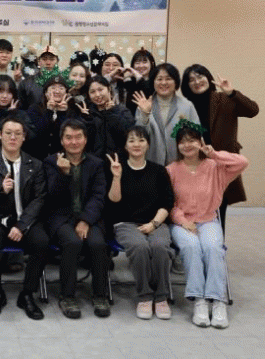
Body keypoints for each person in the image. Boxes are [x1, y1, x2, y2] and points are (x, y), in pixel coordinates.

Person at [166, 120, 248, 328]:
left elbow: (242, 162)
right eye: (182, 142)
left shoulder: (215, 168)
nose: (187, 145)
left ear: (200, 142)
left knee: (213, 248)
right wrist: (183, 221)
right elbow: (168, 203)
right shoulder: (171, 170)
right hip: (182, 223)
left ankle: (217, 300)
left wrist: (214, 154)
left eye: (192, 140)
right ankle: (199, 300)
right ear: (177, 145)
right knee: (192, 247)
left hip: (209, 220)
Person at [0, 115, 49, 320]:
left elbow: (40, 199)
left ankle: (27, 294)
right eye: (8, 133)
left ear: (24, 137)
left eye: (18, 133)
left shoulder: (35, 164)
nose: (13, 137)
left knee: (42, 242)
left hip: (26, 221)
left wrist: (22, 225)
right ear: (0, 135)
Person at [107, 126, 175, 320]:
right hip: (126, 223)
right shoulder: (118, 168)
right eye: (131, 140)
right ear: (125, 146)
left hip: (156, 222)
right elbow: (114, 200)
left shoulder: (159, 171)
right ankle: (145, 296)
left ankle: (161, 297)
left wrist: (154, 224)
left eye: (141, 140)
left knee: (160, 246)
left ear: (148, 144)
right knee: (139, 247)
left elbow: (167, 203)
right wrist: (117, 177)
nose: (136, 144)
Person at [44, 119, 110, 319]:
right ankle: (67, 296)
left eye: (78, 137)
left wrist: (85, 220)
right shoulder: (50, 162)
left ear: (85, 139)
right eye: (69, 137)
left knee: (98, 244)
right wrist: (63, 174)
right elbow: (51, 197)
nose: (74, 142)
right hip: (60, 218)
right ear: (62, 141)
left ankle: (100, 295)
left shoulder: (96, 163)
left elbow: (98, 197)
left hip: (90, 218)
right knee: (72, 242)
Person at [180, 64, 259, 232]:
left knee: (219, 206)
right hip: (196, 163)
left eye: (200, 76)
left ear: (208, 78)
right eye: (191, 80)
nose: (197, 82)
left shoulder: (224, 98)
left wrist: (232, 92)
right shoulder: (186, 106)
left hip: (221, 162)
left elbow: (253, 110)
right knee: (194, 206)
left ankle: (217, 244)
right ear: (187, 85)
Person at [133, 63, 200, 166]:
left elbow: (197, 135)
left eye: (168, 79)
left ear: (176, 82)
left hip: (180, 164)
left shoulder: (187, 106)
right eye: (159, 79)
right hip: (150, 163)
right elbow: (138, 137)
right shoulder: (143, 105)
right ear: (153, 82)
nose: (163, 83)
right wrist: (145, 114)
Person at [26, 73, 83, 161]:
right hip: (37, 157)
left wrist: (62, 113)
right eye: (53, 88)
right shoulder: (35, 108)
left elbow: (66, 136)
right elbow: (36, 135)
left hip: (63, 158)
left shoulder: (73, 111)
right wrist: (48, 111)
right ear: (46, 92)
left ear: (66, 93)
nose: (57, 91)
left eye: (61, 88)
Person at [86, 76, 135, 159]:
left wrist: (111, 112)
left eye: (100, 90)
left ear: (109, 89)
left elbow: (128, 135)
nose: (97, 95)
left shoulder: (122, 111)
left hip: (118, 160)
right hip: (95, 161)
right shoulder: (87, 113)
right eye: (92, 92)